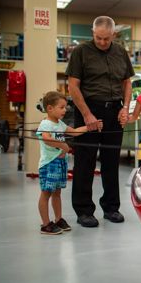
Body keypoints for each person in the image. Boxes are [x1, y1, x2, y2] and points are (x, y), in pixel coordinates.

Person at [66, 16, 135, 227]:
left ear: (114, 35)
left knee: (111, 161)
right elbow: (73, 86)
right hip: (89, 109)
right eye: (98, 38)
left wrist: (125, 108)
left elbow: (127, 83)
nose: (103, 42)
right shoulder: (80, 52)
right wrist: (87, 115)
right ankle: (84, 210)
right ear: (92, 33)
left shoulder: (120, 52)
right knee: (85, 161)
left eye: (106, 38)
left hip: (114, 111)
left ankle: (111, 207)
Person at [36, 91, 101, 235]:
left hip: (60, 163)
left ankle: (58, 219)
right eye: (61, 107)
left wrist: (92, 126)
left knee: (57, 193)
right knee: (46, 193)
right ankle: (46, 224)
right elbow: (46, 138)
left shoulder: (60, 124)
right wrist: (63, 146)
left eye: (65, 107)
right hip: (49, 164)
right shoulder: (45, 123)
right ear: (50, 108)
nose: (65, 110)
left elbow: (76, 132)